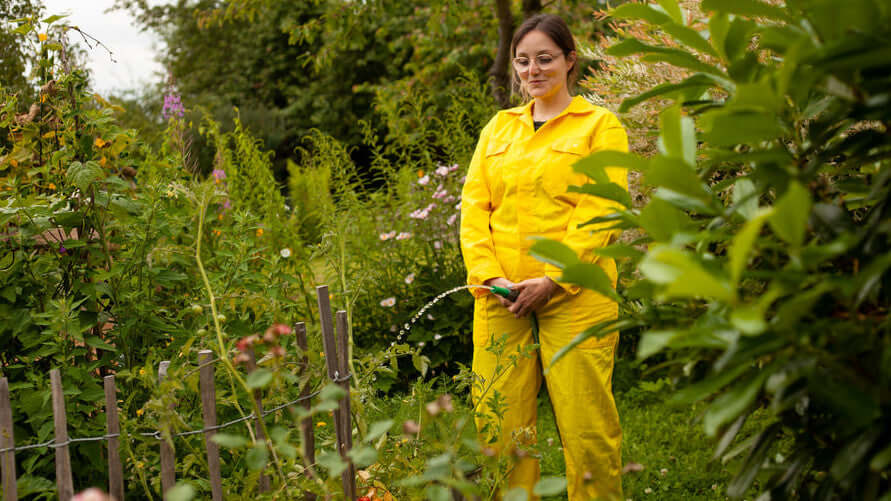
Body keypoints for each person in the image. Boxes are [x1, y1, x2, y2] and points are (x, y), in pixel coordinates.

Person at [459, 13, 628, 501]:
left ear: (570, 61)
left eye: (545, 59)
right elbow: (474, 208)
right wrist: (488, 276)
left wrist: (554, 279)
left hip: (576, 294)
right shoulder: (498, 129)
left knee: (586, 425)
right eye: (523, 61)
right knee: (500, 424)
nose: (533, 70)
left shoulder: (600, 127)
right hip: (500, 296)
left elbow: (602, 209)